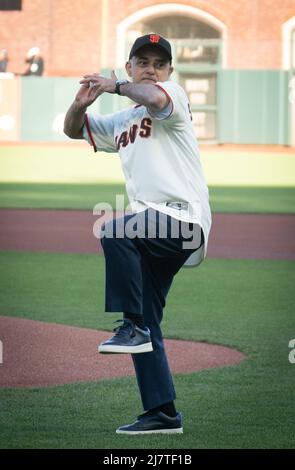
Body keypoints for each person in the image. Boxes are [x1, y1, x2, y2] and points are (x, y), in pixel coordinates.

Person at [64, 33, 211, 435]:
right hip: (154, 228)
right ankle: (162, 412)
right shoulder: (123, 122)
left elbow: (157, 99)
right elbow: (75, 131)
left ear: (168, 72)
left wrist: (116, 86)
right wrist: (80, 104)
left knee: (114, 231)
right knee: (148, 321)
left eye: (158, 63)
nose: (150, 67)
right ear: (129, 65)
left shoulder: (172, 96)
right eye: (141, 61)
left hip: (182, 218)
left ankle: (130, 326)